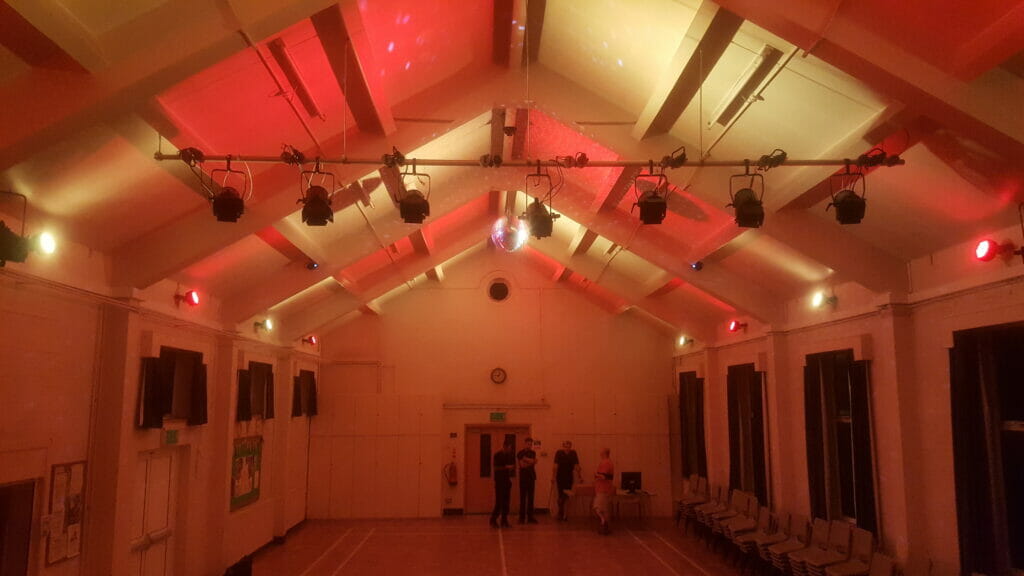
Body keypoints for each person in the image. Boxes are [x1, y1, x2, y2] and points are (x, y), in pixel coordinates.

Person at [552, 440, 581, 521]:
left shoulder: (573, 453)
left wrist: (580, 475)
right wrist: (553, 477)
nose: (567, 448)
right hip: (560, 477)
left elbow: (576, 465)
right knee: (560, 495)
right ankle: (560, 513)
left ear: (570, 447)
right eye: (565, 446)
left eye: (569, 447)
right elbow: (555, 466)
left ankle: (565, 514)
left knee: (567, 496)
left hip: (569, 477)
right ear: (563, 446)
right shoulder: (559, 453)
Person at [490, 439, 515, 528]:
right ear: (505, 446)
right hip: (499, 482)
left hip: (506, 481)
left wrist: (510, 468)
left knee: (506, 503)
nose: (510, 449)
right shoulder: (497, 455)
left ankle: (504, 520)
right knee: (499, 502)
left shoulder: (509, 455)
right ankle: (493, 520)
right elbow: (496, 468)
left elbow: (512, 467)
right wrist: (506, 467)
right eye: (509, 448)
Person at [593, 448, 615, 534]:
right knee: (604, 509)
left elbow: (604, 476)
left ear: (604, 453)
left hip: (603, 489)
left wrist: (596, 474)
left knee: (598, 508)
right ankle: (605, 527)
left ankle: (604, 524)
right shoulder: (609, 462)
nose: (600, 454)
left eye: (601, 452)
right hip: (605, 488)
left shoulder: (605, 463)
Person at [517, 437, 538, 524]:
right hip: (523, 478)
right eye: (528, 444)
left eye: (530, 444)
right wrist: (532, 461)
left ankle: (530, 517)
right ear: (525, 443)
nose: (529, 446)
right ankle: (521, 518)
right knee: (522, 498)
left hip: (531, 477)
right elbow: (522, 465)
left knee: (531, 498)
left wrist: (526, 459)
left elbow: (533, 461)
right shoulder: (520, 453)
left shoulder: (533, 452)